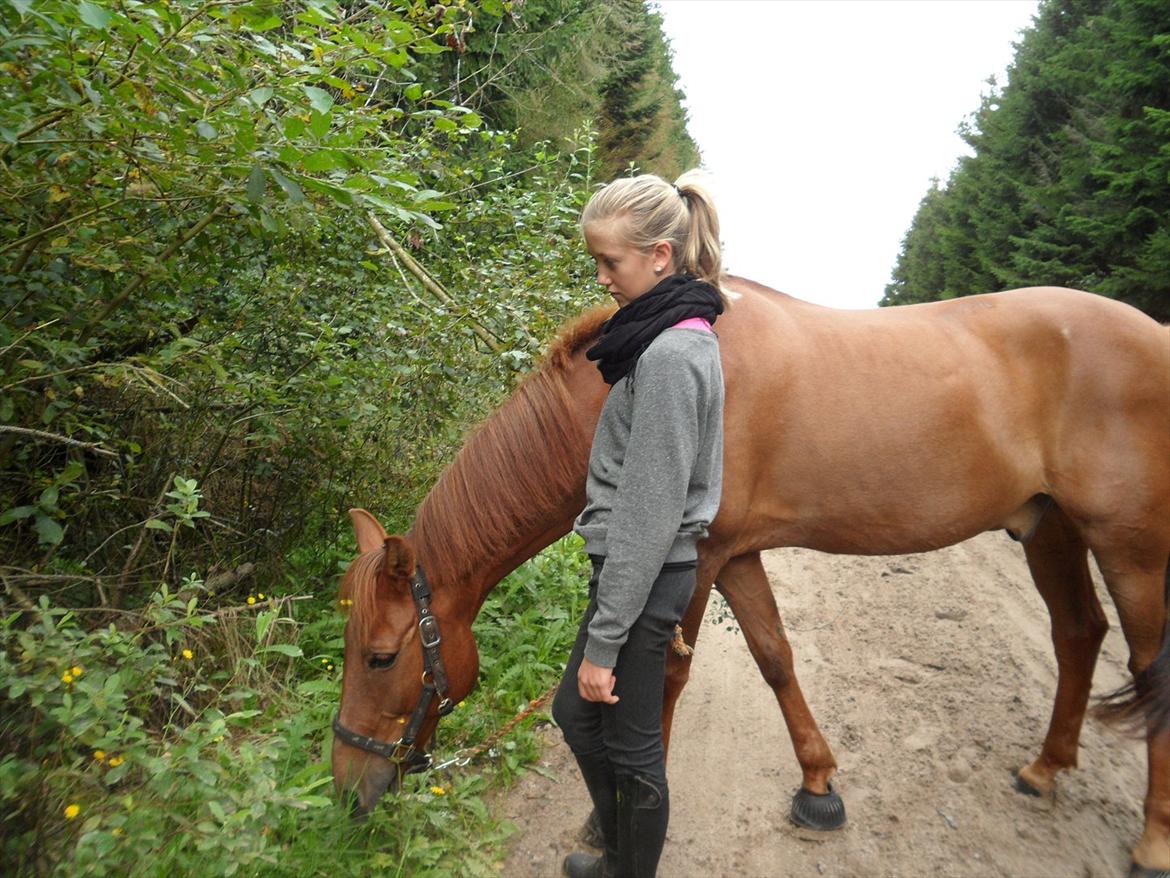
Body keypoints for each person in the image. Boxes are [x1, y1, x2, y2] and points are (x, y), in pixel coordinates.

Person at [551, 170, 726, 878]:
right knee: (578, 716)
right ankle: (622, 855)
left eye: (610, 262)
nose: (602, 278)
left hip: (647, 578)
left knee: (630, 744)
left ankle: (630, 869)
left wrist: (606, 639)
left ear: (659, 255)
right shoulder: (665, 337)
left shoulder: (671, 355)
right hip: (639, 573)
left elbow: (650, 513)